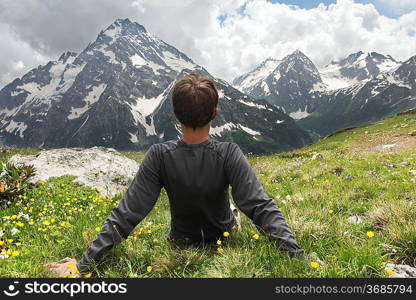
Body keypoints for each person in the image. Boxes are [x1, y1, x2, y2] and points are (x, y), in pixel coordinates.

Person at [44, 72, 303, 277]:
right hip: (224, 238)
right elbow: (259, 206)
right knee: (236, 208)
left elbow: (128, 212)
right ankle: (232, 216)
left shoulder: (159, 155)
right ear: (214, 114)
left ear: (175, 115)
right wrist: (297, 258)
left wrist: (84, 265)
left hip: (180, 242)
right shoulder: (228, 153)